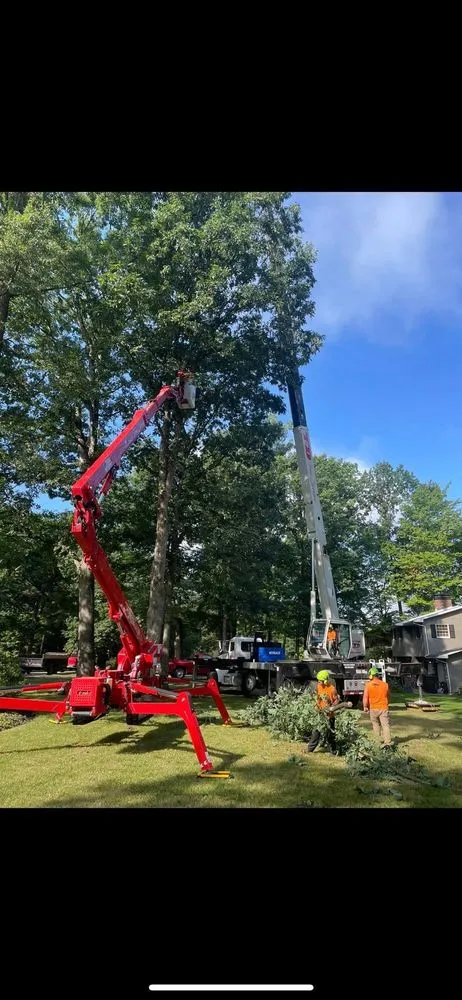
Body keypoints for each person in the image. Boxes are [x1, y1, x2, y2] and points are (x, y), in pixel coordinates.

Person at [306, 669, 340, 752]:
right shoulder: (319, 687)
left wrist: (332, 707)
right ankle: (310, 749)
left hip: (329, 715)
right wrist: (316, 706)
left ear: (325, 681)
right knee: (316, 732)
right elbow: (318, 697)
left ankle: (333, 750)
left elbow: (337, 700)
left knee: (331, 734)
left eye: (320, 680)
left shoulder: (332, 689)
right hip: (320, 714)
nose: (318, 682)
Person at [363, 665, 392, 748]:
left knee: (376, 725)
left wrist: (365, 706)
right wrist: (387, 703)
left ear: (371, 675)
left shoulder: (368, 685)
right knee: (385, 725)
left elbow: (365, 697)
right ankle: (388, 742)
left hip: (373, 708)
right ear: (378, 675)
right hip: (383, 708)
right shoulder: (385, 685)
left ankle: (378, 742)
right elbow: (388, 696)